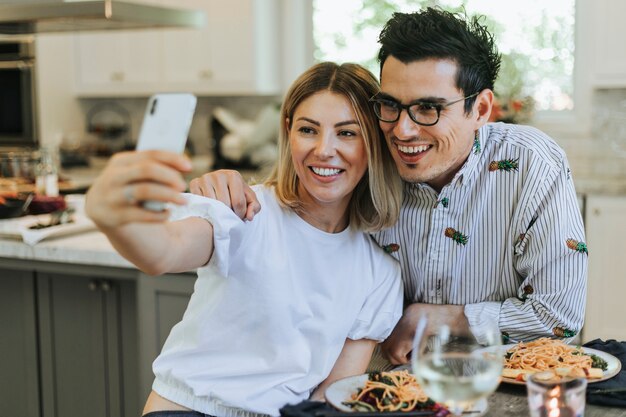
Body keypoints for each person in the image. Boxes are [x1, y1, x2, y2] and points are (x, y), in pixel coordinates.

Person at [189, 7, 588, 368]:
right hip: (382, 390)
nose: (403, 130)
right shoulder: (369, 158)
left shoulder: (531, 164)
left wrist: (434, 316)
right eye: (391, 104)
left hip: (502, 389)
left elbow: (559, 319)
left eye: (429, 108)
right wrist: (230, 188)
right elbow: (297, 212)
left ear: (480, 109)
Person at [85, 61, 404, 417]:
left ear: (373, 143)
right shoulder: (244, 209)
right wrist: (116, 219)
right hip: (187, 409)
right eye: (308, 130)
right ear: (288, 132)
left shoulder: (380, 274)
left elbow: (332, 396)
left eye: (347, 132)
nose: (324, 149)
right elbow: (163, 252)